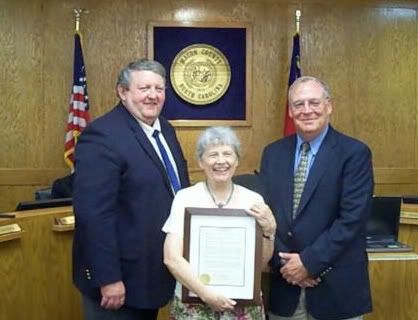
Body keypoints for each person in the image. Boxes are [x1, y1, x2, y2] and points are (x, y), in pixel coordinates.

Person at [72, 58, 190, 320]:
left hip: (152, 275)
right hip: (118, 283)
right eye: (144, 88)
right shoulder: (102, 136)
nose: (152, 95)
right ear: (122, 92)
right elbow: (94, 215)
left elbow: (177, 191)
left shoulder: (165, 129)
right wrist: (109, 277)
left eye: (159, 89)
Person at [259, 76, 374, 320]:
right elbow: (266, 215)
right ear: (290, 111)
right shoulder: (273, 154)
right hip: (285, 287)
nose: (307, 110)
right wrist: (287, 266)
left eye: (314, 102)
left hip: (335, 288)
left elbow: (352, 220)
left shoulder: (354, 153)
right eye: (299, 104)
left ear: (328, 106)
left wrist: (309, 263)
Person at [163, 126, 277, 320]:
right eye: (213, 155)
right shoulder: (185, 198)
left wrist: (269, 232)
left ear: (236, 160)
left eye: (227, 154)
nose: (221, 161)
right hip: (195, 302)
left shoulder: (253, 200)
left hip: (241, 305)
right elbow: (171, 258)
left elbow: (261, 263)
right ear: (201, 161)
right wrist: (205, 293)